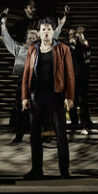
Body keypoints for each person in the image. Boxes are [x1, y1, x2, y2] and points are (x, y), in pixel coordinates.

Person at [0, 8, 67, 143]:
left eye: (34, 38)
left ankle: (45, 134)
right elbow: (8, 41)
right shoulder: (20, 50)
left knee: (42, 110)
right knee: (21, 110)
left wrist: (60, 26)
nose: (31, 40)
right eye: (29, 38)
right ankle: (19, 136)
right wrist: (3, 25)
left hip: (39, 83)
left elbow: (53, 37)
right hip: (23, 83)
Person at [21, 17, 75, 179]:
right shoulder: (33, 49)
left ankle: (64, 170)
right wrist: (25, 97)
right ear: (39, 32)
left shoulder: (63, 49)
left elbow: (70, 75)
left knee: (61, 135)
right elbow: (26, 75)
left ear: (53, 32)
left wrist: (69, 97)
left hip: (56, 96)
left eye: (49, 29)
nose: (46, 32)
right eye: (43, 29)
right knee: (35, 135)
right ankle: (36, 170)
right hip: (37, 97)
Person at [67, 26, 92, 135]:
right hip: (70, 77)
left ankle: (85, 124)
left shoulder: (81, 45)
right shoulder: (66, 47)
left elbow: (87, 47)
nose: (72, 36)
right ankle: (74, 123)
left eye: (74, 34)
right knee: (71, 99)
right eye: (70, 34)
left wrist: (81, 38)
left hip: (81, 77)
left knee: (83, 101)